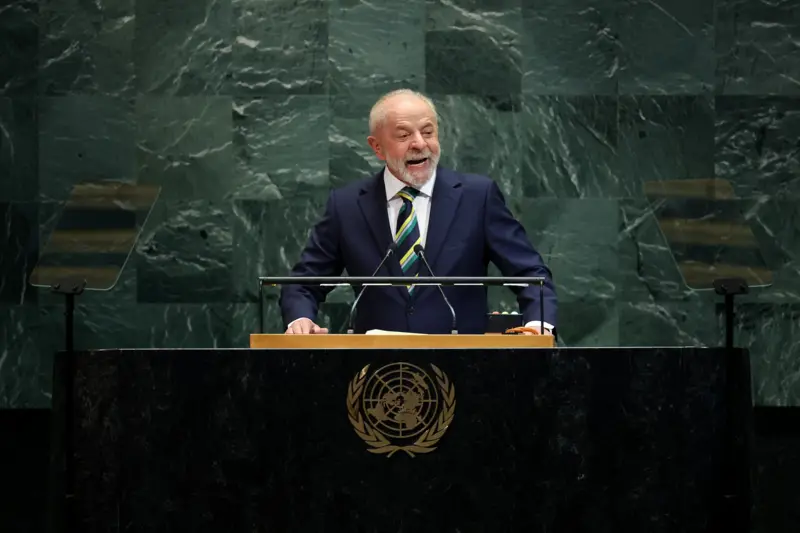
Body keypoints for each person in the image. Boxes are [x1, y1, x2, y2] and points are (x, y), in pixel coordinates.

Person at [280, 89, 557, 335]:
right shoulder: (347, 205)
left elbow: (530, 274)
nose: (419, 144)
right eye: (404, 135)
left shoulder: (477, 197)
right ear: (377, 147)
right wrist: (300, 319)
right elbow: (304, 282)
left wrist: (538, 325)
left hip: (464, 366)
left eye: (428, 132)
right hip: (377, 370)